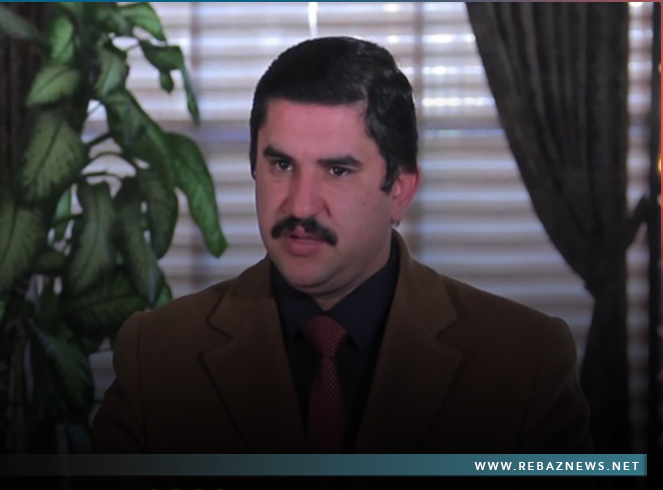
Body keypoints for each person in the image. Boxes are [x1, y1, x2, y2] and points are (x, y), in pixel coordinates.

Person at [90, 36, 593, 485]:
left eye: (337, 170)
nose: (301, 206)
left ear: (400, 190)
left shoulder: (523, 364)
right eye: (281, 164)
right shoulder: (158, 357)